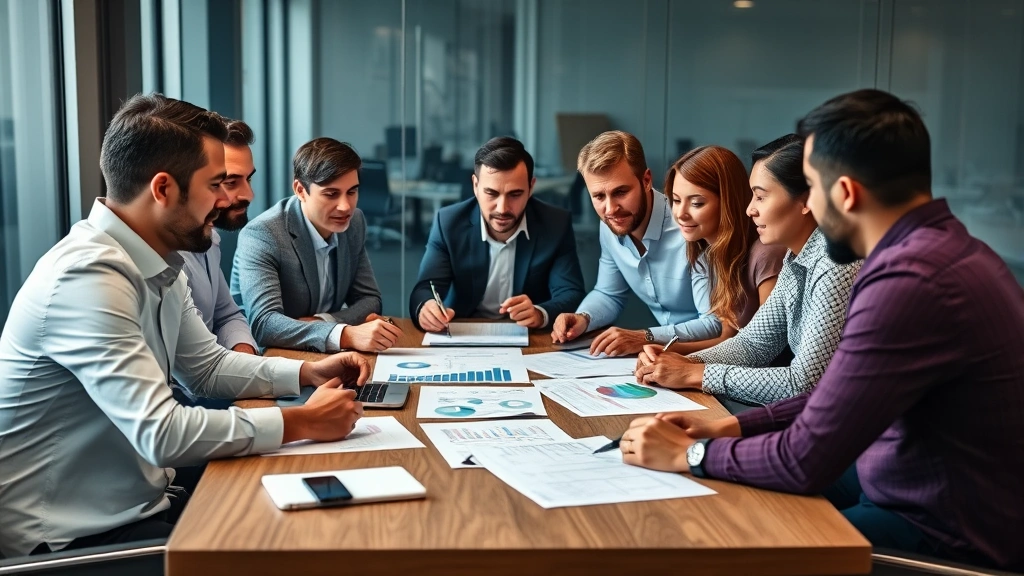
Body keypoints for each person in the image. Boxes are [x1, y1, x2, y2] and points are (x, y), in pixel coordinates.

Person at [619, 89, 1024, 571]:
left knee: (723, 544)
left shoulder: (908, 281)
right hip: (898, 479)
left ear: (845, 193)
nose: (806, 204)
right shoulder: (939, 250)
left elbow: (804, 459)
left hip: (939, 528)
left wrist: (693, 454)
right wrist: (731, 426)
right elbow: (838, 394)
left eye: (810, 186)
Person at [0, 94, 369, 558]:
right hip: (68, 540)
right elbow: (162, 433)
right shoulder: (88, 277)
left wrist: (307, 373)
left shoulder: (157, 259)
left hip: (140, 501)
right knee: (287, 550)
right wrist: (302, 421)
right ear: (163, 189)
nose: (227, 199)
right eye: (216, 184)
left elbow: (207, 368)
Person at [636, 134, 861, 405]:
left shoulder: (835, 262)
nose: (749, 210)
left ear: (807, 200)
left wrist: (696, 374)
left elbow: (804, 384)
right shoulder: (796, 257)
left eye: (760, 197)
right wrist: (681, 363)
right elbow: (753, 344)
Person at [550, 130, 721, 356]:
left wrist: (644, 337)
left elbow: (713, 324)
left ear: (646, 180)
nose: (610, 209)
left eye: (621, 192)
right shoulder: (610, 224)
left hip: (709, 355)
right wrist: (583, 317)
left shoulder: (688, 225)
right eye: (599, 196)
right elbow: (608, 293)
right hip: (663, 356)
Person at [231, 137, 401, 353]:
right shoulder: (263, 234)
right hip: (270, 356)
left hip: (324, 353)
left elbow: (370, 300)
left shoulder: (355, 222)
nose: (345, 207)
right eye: (331, 194)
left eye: (352, 192)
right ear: (300, 190)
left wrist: (323, 321)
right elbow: (264, 324)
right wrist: (345, 334)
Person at [410, 136, 585, 332]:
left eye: (515, 194)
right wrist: (425, 308)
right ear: (475, 186)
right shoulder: (448, 223)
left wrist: (540, 313)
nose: (502, 208)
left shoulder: (555, 223)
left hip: (530, 335)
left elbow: (571, 293)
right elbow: (426, 288)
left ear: (531, 188)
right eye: (491, 193)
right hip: (464, 331)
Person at [660, 145, 786, 355]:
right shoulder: (713, 255)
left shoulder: (766, 253)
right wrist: (665, 352)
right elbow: (728, 339)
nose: (680, 214)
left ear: (728, 202)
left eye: (696, 203)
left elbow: (767, 350)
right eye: (676, 200)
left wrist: (684, 363)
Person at [179, 116, 258, 356]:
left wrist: (244, 353)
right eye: (230, 182)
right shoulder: (164, 253)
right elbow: (197, 364)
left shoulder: (210, 238)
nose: (249, 194)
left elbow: (227, 315)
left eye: (249, 178)